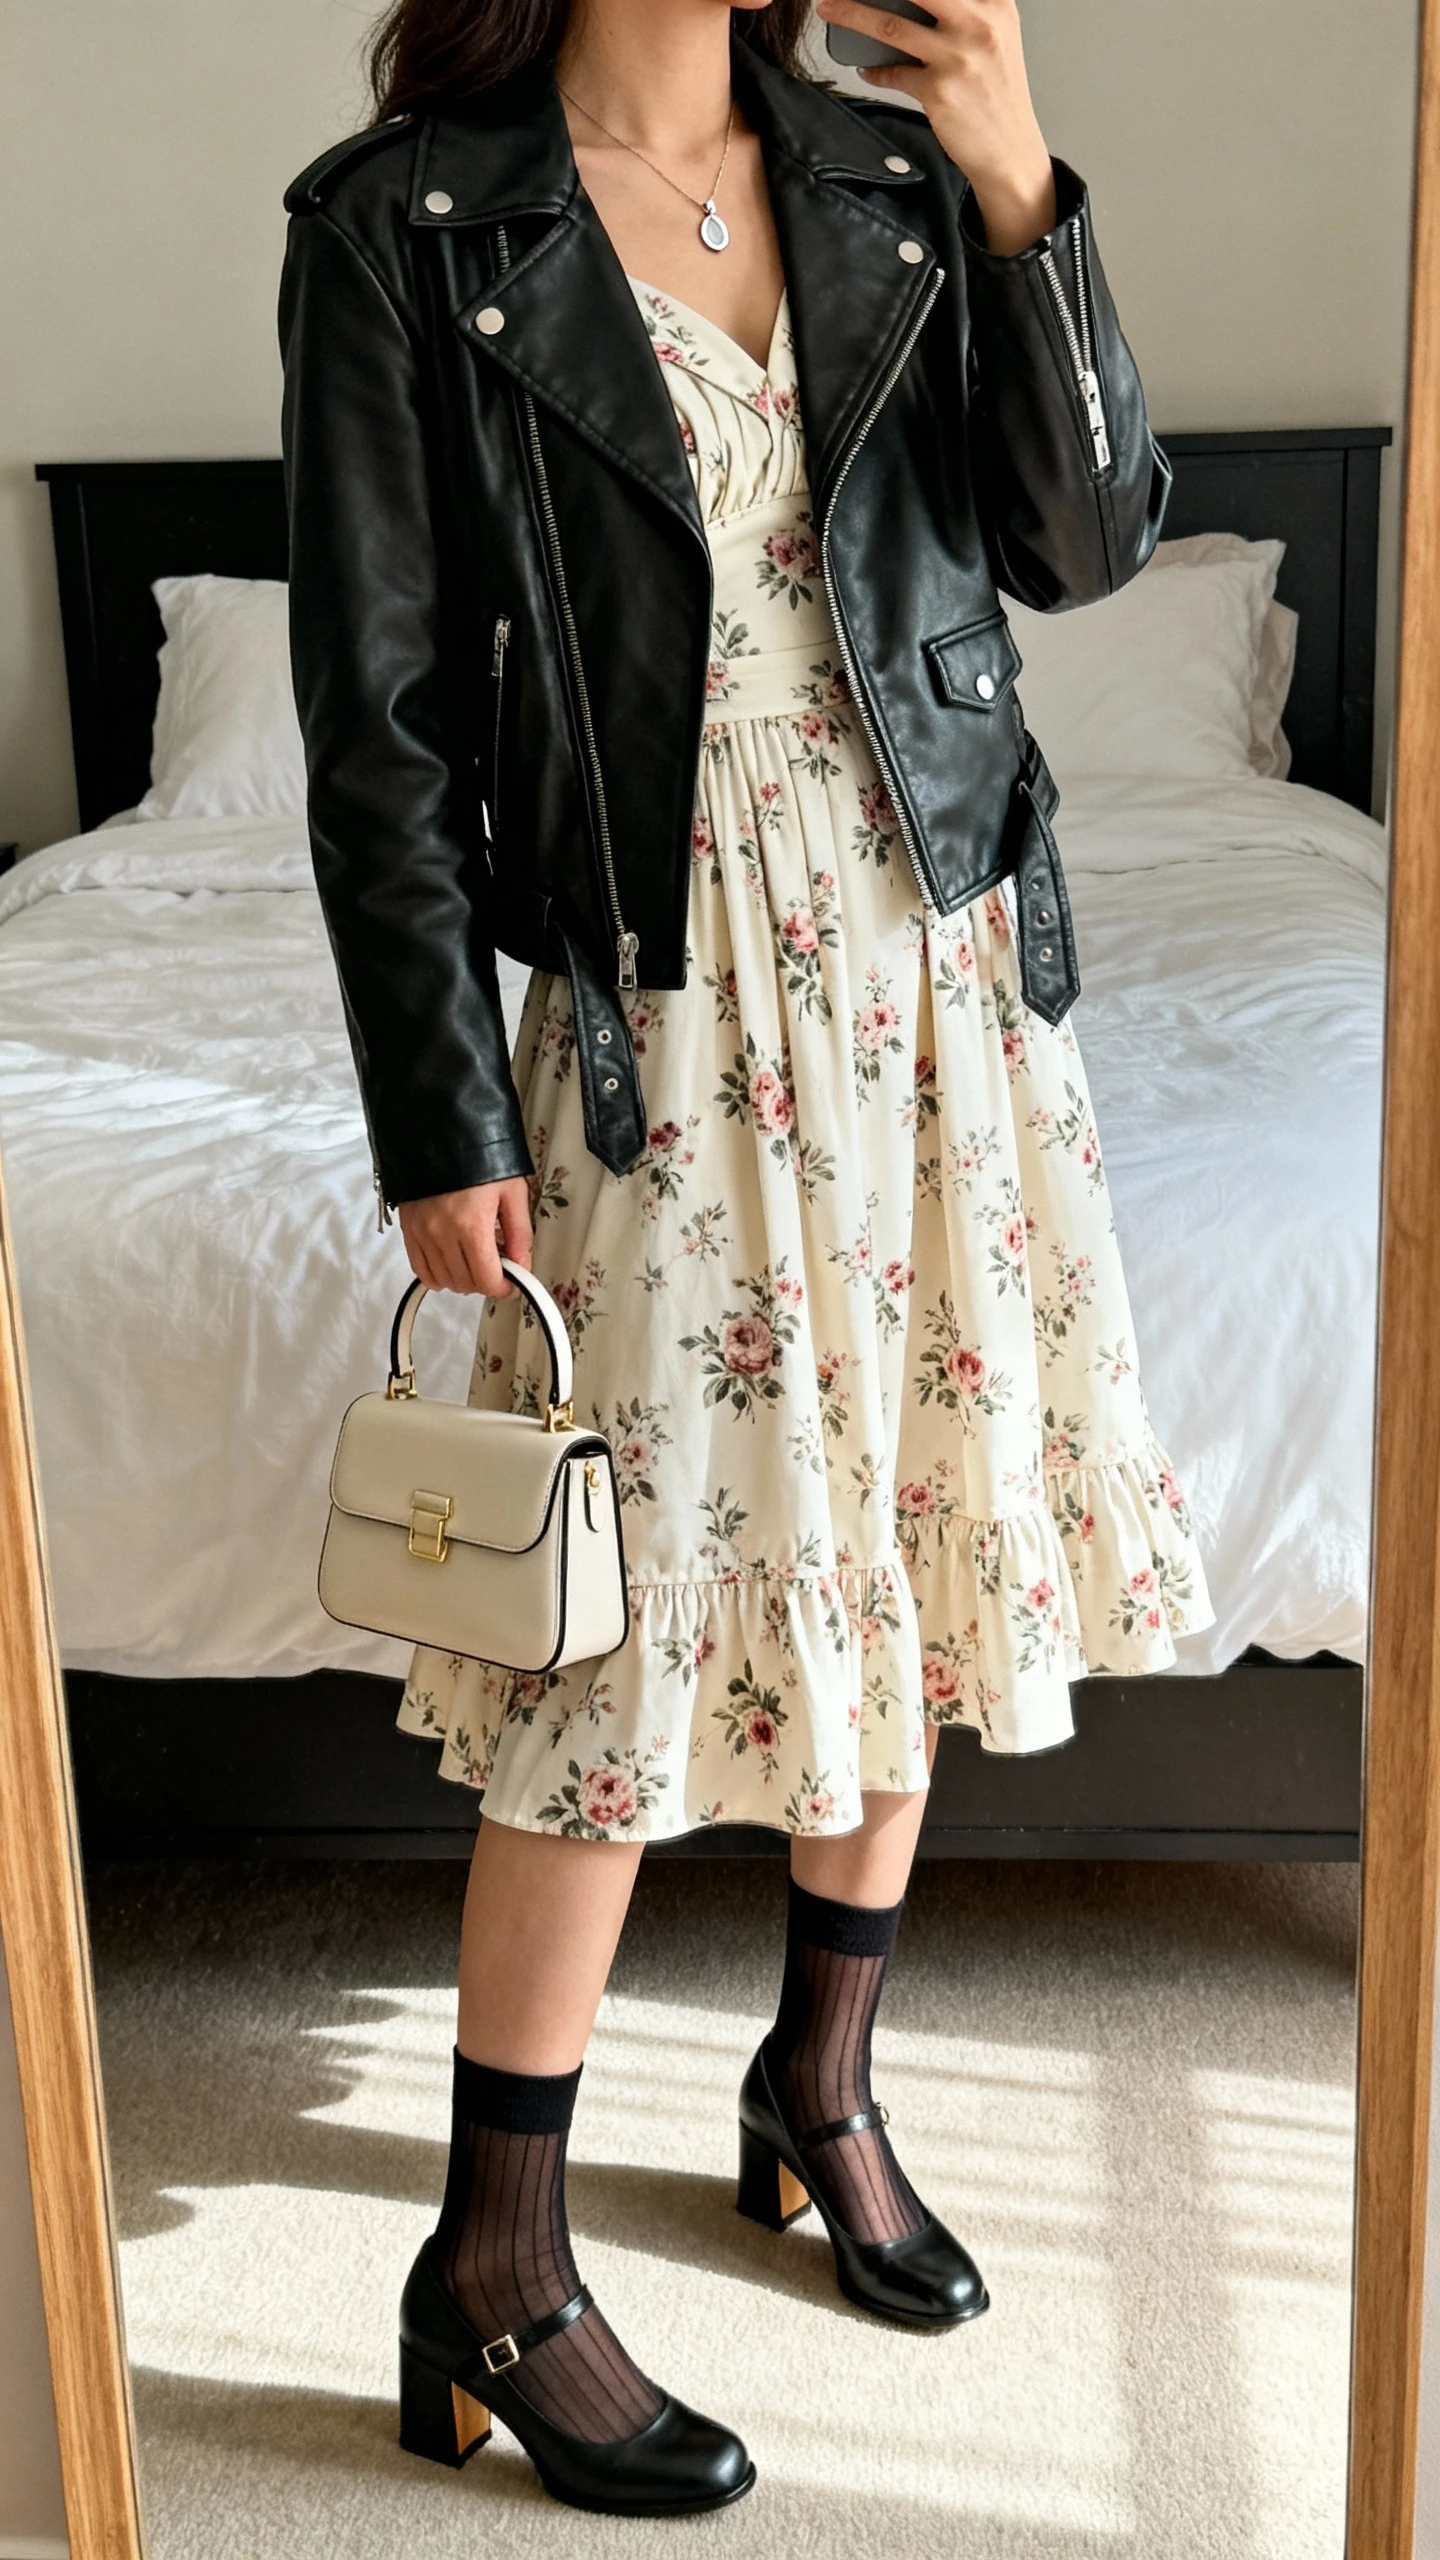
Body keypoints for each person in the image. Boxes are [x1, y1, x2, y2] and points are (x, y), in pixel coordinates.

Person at [281, 0, 1212, 2515]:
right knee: (599, 1626)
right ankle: (492, 2259)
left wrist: (1029, 180)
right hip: (652, 994)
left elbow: (1091, 540)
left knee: (901, 1535)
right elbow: (373, 722)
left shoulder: (901, 173)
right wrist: (438, 1114)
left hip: (933, 969)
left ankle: (823, 2079)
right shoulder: (405, 225)